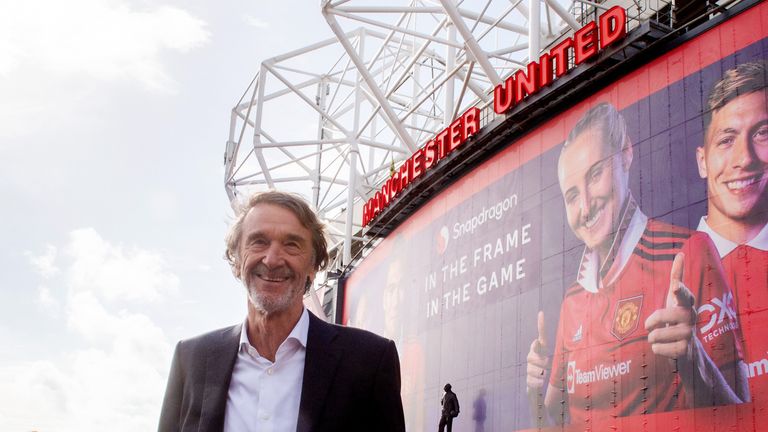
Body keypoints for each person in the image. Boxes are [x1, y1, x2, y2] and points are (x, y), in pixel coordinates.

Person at [525, 103, 748, 425]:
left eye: (596, 174)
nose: (586, 205)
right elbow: (555, 425)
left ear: (626, 154)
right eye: (572, 196)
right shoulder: (573, 298)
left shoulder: (687, 253)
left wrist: (694, 361)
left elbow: (741, 416)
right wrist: (534, 392)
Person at [158, 191, 406, 432]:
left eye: (292, 244)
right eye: (259, 241)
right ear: (235, 260)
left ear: (313, 266)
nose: (273, 259)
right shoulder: (191, 360)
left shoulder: (369, 361)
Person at [696, 61, 768, 400]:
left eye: (762, 133)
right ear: (702, 160)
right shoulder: (661, 271)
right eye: (726, 139)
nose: (744, 158)